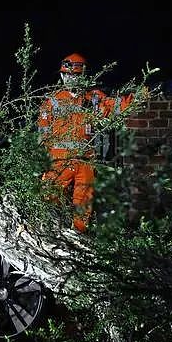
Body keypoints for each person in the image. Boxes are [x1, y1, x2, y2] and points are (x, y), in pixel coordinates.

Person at [38, 53, 139, 233]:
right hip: (59, 161)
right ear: (62, 75)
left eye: (75, 75)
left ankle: (78, 240)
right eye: (67, 75)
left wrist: (136, 98)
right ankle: (48, 235)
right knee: (48, 203)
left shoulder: (93, 98)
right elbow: (43, 134)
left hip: (85, 161)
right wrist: (44, 161)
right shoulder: (51, 101)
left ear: (83, 76)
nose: (71, 79)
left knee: (83, 209)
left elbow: (115, 106)